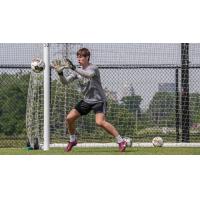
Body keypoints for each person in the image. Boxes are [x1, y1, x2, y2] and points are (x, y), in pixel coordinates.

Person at [53, 48, 127, 152]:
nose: (79, 59)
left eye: (81, 57)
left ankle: (121, 141)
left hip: (99, 100)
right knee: (69, 118)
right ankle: (72, 140)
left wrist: (73, 68)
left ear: (87, 57)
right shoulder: (77, 71)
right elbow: (65, 82)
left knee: (100, 122)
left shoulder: (93, 68)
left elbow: (88, 75)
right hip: (86, 100)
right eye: (77, 57)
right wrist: (60, 73)